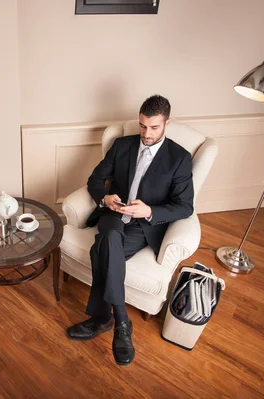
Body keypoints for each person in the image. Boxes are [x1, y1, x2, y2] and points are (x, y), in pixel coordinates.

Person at [66, 95, 194, 366]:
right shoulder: (121, 145)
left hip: (144, 225)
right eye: (142, 126)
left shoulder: (179, 158)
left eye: (154, 128)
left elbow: (184, 207)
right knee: (110, 236)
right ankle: (122, 321)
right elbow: (95, 179)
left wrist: (149, 211)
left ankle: (103, 319)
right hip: (114, 213)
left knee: (103, 249)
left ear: (167, 123)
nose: (146, 134)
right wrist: (105, 198)